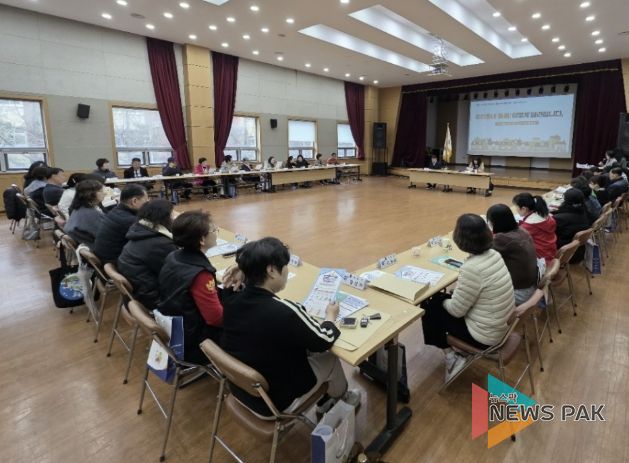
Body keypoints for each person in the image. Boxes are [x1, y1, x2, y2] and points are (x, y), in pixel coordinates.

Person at [222, 237, 360, 417]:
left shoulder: (231, 298)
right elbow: (323, 340)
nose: (287, 270)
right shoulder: (285, 312)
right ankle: (342, 399)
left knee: (302, 345)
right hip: (276, 403)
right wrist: (330, 316)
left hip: (244, 392)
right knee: (330, 358)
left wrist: (244, 268)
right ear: (271, 270)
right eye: (285, 266)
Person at [421, 214, 514, 381]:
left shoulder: (472, 268)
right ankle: (455, 351)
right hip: (501, 326)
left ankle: (451, 357)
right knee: (440, 300)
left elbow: (457, 311)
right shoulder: (494, 254)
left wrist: (442, 300)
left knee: (429, 307)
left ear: (460, 238)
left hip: (485, 337)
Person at [158, 211, 227, 364]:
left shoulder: (173, 256)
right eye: (214, 229)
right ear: (202, 240)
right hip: (195, 342)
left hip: (177, 326)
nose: (216, 232)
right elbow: (216, 319)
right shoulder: (201, 275)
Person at [118, 200, 178, 311]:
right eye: (172, 215)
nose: (174, 218)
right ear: (163, 218)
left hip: (141, 292)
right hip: (156, 300)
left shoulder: (139, 230)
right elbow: (179, 274)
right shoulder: (160, 244)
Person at [487, 204, 538, 305]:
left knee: (477, 288)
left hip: (519, 293)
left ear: (493, 222)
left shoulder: (502, 239)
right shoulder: (521, 230)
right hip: (531, 284)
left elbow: (483, 253)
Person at [92, 184, 149, 264]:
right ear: (134, 201)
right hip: (114, 262)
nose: (148, 203)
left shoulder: (115, 211)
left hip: (105, 258)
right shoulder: (129, 220)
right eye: (146, 200)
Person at [513, 193, 557, 263]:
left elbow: (515, 238)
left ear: (524, 209)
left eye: (516, 206)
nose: (516, 209)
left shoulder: (529, 225)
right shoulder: (547, 216)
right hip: (551, 252)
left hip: (541, 259)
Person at [64, 179, 106, 248]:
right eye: (101, 191)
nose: (104, 193)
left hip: (86, 244)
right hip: (97, 248)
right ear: (90, 194)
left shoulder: (78, 208)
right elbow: (106, 236)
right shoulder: (91, 214)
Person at [552, 189, 590, 262]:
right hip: (579, 252)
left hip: (565, 255)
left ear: (566, 201)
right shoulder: (584, 212)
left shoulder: (559, 218)